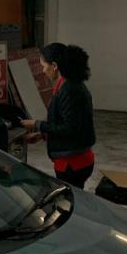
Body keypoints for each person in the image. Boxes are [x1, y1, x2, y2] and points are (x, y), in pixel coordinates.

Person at [21, 43, 96, 189]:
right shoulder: (66, 83)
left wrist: (37, 124)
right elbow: (69, 122)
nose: (43, 71)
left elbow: (69, 129)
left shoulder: (69, 90)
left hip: (72, 163)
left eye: (44, 66)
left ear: (54, 65)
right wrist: (43, 135)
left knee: (70, 198)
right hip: (75, 158)